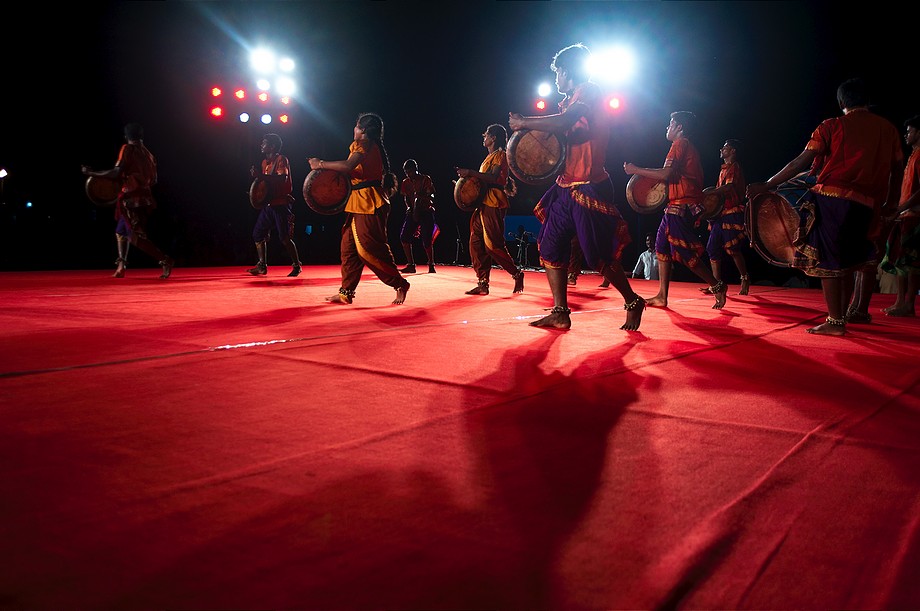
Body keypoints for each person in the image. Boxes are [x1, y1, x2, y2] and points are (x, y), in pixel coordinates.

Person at [747, 78, 903, 336]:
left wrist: (768, 183)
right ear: (866, 100)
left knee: (828, 258)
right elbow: (897, 170)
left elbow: (800, 163)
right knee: (850, 259)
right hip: (868, 203)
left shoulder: (832, 126)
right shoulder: (888, 129)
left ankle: (835, 322)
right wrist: (891, 203)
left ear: (842, 102)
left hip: (834, 198)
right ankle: (843, 315)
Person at [509, 43, 644, 331]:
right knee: (549, 244)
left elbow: (568, 122)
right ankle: (560, 312)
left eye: (558, 72)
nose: (556, 78)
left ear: (568, 71)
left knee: (598, 256)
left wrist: (525, 122)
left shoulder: (589, 92)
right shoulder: (568, 101)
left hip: (589, 186)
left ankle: (633, 301)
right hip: (566, 186)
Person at [624, 111, 727, 309]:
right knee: (661, 247)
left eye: (670, 124)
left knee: (685, 253)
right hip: (674, 206)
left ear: (680, 127)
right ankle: (662, 295)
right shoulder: (685, 146)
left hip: (682, 206)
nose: (667, 127)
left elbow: (666, 173)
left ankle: (717, 285)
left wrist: (635, 170)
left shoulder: (680, 144)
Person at [308, 112, 410, 305]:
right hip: (358, 201)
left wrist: (319, 164)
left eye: (356, 126)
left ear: (362, 131)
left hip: (369, 202)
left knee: (371, 248)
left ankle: (400, 284)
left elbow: (348, 166)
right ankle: (346, 292)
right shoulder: (369, 146)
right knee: (348, 248)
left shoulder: (363, 146)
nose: (354, 130)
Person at [81, 122, 173, 279]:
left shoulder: (127, 149)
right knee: (121, 232)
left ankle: (165, 260)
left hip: (132, 200)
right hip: (144, 198)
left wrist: (93, 173)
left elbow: (116, 173)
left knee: (136, 237)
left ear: (126, 137)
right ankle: (121, 266)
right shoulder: (149, 154)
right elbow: (154, 180)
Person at [455, 124, 525, 296]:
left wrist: (470, 172)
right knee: (476, 242)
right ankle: (483, 283)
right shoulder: (489, 157)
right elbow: (481, 183)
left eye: (486, 134)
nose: (483, 137)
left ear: (493, 138)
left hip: (493, 202)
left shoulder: (500, 155)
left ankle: (516, 274)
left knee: (493, 245)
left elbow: (493, 178)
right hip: (483, 203)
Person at [879, 114, 920, 317]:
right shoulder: (912, 155)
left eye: (910, 131)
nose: (906, 135)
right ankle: (900, 302)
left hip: (915, 216)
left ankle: (909, 303)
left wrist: (902, 207)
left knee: (911, 263)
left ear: (919, 133)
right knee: (901, 261)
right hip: (905, 215)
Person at [247, 133, 302, 277]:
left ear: (271, 146)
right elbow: (264, 185)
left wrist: (260, 176)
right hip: (269, 205)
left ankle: (297, 265)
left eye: (264, 143)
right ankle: (262, 266)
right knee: (258, 234)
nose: (261, 145)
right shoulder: (264, 163)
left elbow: (282, 178)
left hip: (281, 204)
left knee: (284, 237)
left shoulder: (281, 159)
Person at [701, 139, 751, 295]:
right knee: (711, 247)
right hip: (720, 214)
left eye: (725, 147)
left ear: (733, 151)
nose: (721, 149)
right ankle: (716, 285)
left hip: (731, 212)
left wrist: (709, 192)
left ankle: (744, 278)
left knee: (733, 249)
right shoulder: (723, 169)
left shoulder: (734, 167)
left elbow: (728, 187)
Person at [397, 159, 439, 274]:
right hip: (413, 212)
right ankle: (411, 265)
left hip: (426, 211)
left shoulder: (426, 179)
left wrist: (422, 196)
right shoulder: (405, 182)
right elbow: (405, 197)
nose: (408, 174)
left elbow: (432, 196)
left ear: (415, 169)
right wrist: (409, 207)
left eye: (410, 171)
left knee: (426, 240)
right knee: (404, 237)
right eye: (406, 172)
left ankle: (431, 264)